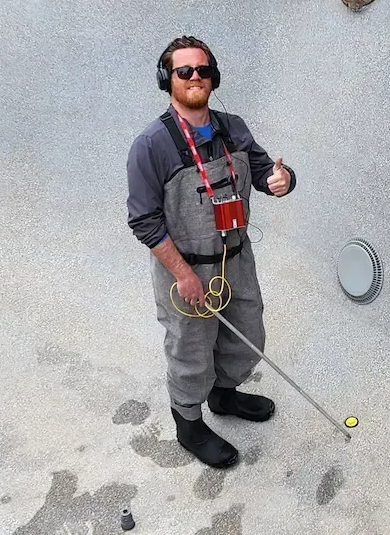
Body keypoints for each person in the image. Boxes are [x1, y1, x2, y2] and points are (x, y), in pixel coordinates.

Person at [126, 36, 296, 469]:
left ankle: (224, 395)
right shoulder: (151, 146)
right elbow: (143, 221)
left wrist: (283, 179)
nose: (195, 77)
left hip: (236, 260)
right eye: (184, 72)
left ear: (214, 76)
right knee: (190, 348)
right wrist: (182, 274)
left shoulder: (233, 127)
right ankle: (189, 424)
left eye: (202, 70)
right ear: (168, 80)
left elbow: (264, 171)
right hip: (185, 271)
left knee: (247, 335)